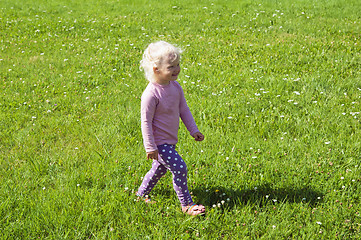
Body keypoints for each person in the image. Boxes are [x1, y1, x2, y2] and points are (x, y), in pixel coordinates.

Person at [136, 41, 206, 216]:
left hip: (169, 141)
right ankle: (186, 204)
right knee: (179, 167)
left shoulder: (175, 87)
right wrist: (150, 147)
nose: (177, 69)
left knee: (158, 169)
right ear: (156, 69)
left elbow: (184, 110)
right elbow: (145, 122)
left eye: (178, 65)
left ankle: (140, 194)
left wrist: (193, 130)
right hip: (159, 143)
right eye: (171, 66)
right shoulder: (151, 94)